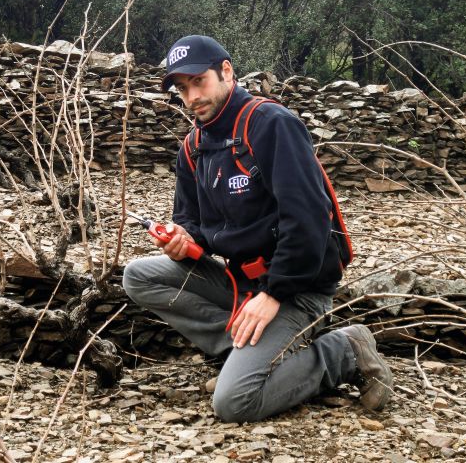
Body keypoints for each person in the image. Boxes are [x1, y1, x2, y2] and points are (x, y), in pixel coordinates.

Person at [122, 35, 392, 422]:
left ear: (226, 71)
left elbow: (309, 220)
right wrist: (183, 239)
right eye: (182, 89)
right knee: (140, 276)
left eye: (199, 82)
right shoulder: (193, 147)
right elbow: (190, 220)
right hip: (241, 285)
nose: (191, 96)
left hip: (298, 288)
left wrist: (273, 293)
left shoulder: (271, 125)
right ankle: (248, 348)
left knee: (234, 403)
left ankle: (343, 351)